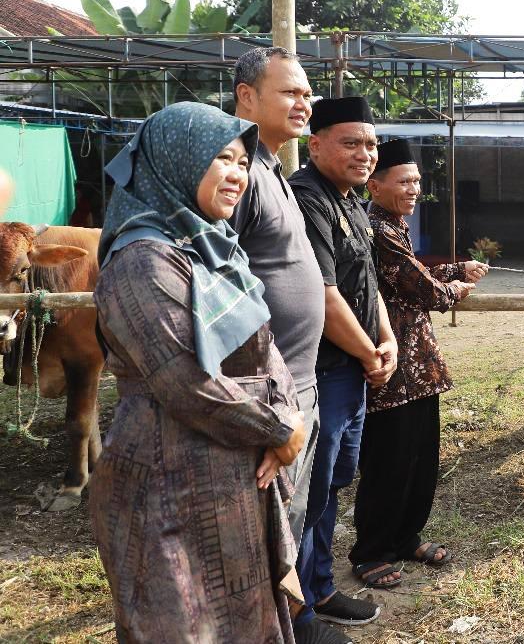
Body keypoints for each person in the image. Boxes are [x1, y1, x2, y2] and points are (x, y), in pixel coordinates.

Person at [89, 102, 307, 642]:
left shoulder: (214, 250)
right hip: (167, 490)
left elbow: (264, 342)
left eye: (242, 161)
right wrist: (281, 429)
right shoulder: (142, 260)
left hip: (231, 478)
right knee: (182, 623)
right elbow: (184, 380)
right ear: (176, 163)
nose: (237, 174)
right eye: (220, 159)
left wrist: (287, 411)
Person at [230, 46, 334, 642]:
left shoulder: (271, 165)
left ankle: (289, 622)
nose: (305, 102)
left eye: (306, 93)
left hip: (300, 382)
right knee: (264, 526)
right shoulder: (237, 170)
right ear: (247, 97)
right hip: (269, 392)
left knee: (289, 522)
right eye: (291, 92)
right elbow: (221, 284)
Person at [349, 140, 485, 583]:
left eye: (418, 182)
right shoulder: (376, 229)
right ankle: (371, 552)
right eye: (404, 181)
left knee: (419, 460)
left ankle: (405, 538)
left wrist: (455, 269)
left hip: (418, 370)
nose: (414, 190)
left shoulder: (394, 227)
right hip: (391, 368)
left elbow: (412, 274)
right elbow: (421, 289)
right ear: (374, 185)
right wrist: (454, 290)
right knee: (388, 462)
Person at [291, 95, 399, 628]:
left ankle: (322, 587)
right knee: (310, 488)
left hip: (353, 366)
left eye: (372, 144)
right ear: (315, 145)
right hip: (321, 370)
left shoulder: (352, 200)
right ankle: (299, 606)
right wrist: (367, 350)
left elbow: (367, 282)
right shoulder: (305, 198)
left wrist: (386, 340)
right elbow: (324, 295)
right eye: (351, 142)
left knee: (334, 479)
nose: (366, 153)